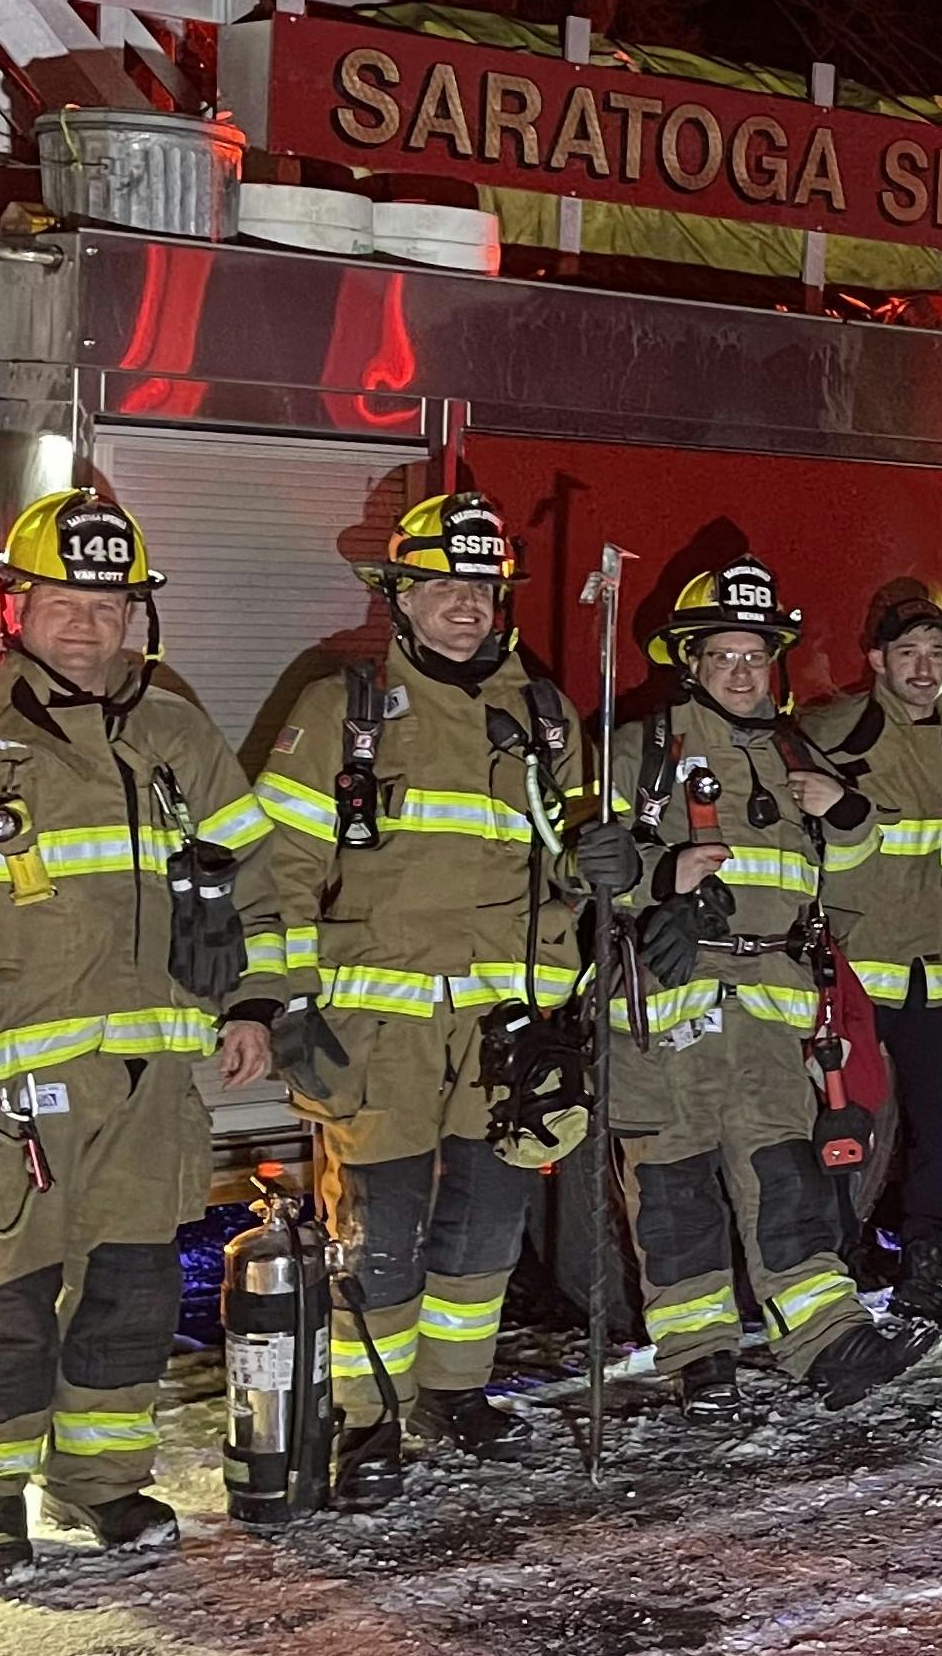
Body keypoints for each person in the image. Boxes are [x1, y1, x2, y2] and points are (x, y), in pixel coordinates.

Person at [0, 489, 285, 1589]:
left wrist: (258, 1003)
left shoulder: (174, 725)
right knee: (1, 1296)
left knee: (130, 1289)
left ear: (136, 615)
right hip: (1, 1086)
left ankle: (101, 1485)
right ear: (15, 605)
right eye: (64, 600)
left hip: (147, 1085)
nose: (88, 623)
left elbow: (257, 877)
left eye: (109, 603)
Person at [254, 491, 611, 1503]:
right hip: (382, 1035)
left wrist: (605, 864)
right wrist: (284, 1001)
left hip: (508, 1031)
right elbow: (277, 866)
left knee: (488, 1221)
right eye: (442, 583)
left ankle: (452, 1391)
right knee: (380, 1227)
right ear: (400, 595)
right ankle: (363, 1416)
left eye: (481, 585)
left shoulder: (547, 720)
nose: (464, 602)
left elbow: (570, 867)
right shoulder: (341, 711)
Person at [601, 555, 936, 1413]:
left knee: (787, 1178)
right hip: (667, 1006)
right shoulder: (639, 748)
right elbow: (582, 864)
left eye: (757, 657)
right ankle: (698, 1355)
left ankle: (827, 1340)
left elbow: (849, 882)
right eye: (725, 657)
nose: (745, 673)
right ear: (692, 663)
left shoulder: (798, 750)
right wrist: (658, 877)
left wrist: (849, 816)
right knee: (674, 1188)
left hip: (774, 1010)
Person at [802, 592, 942, 1332]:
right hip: (857, 971)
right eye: (908, 652)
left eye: (938, 652)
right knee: (842, 1128)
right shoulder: (832, 732)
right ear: (877, 659)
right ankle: (831, 1271)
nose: (924, 667)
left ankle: (927, 1274)